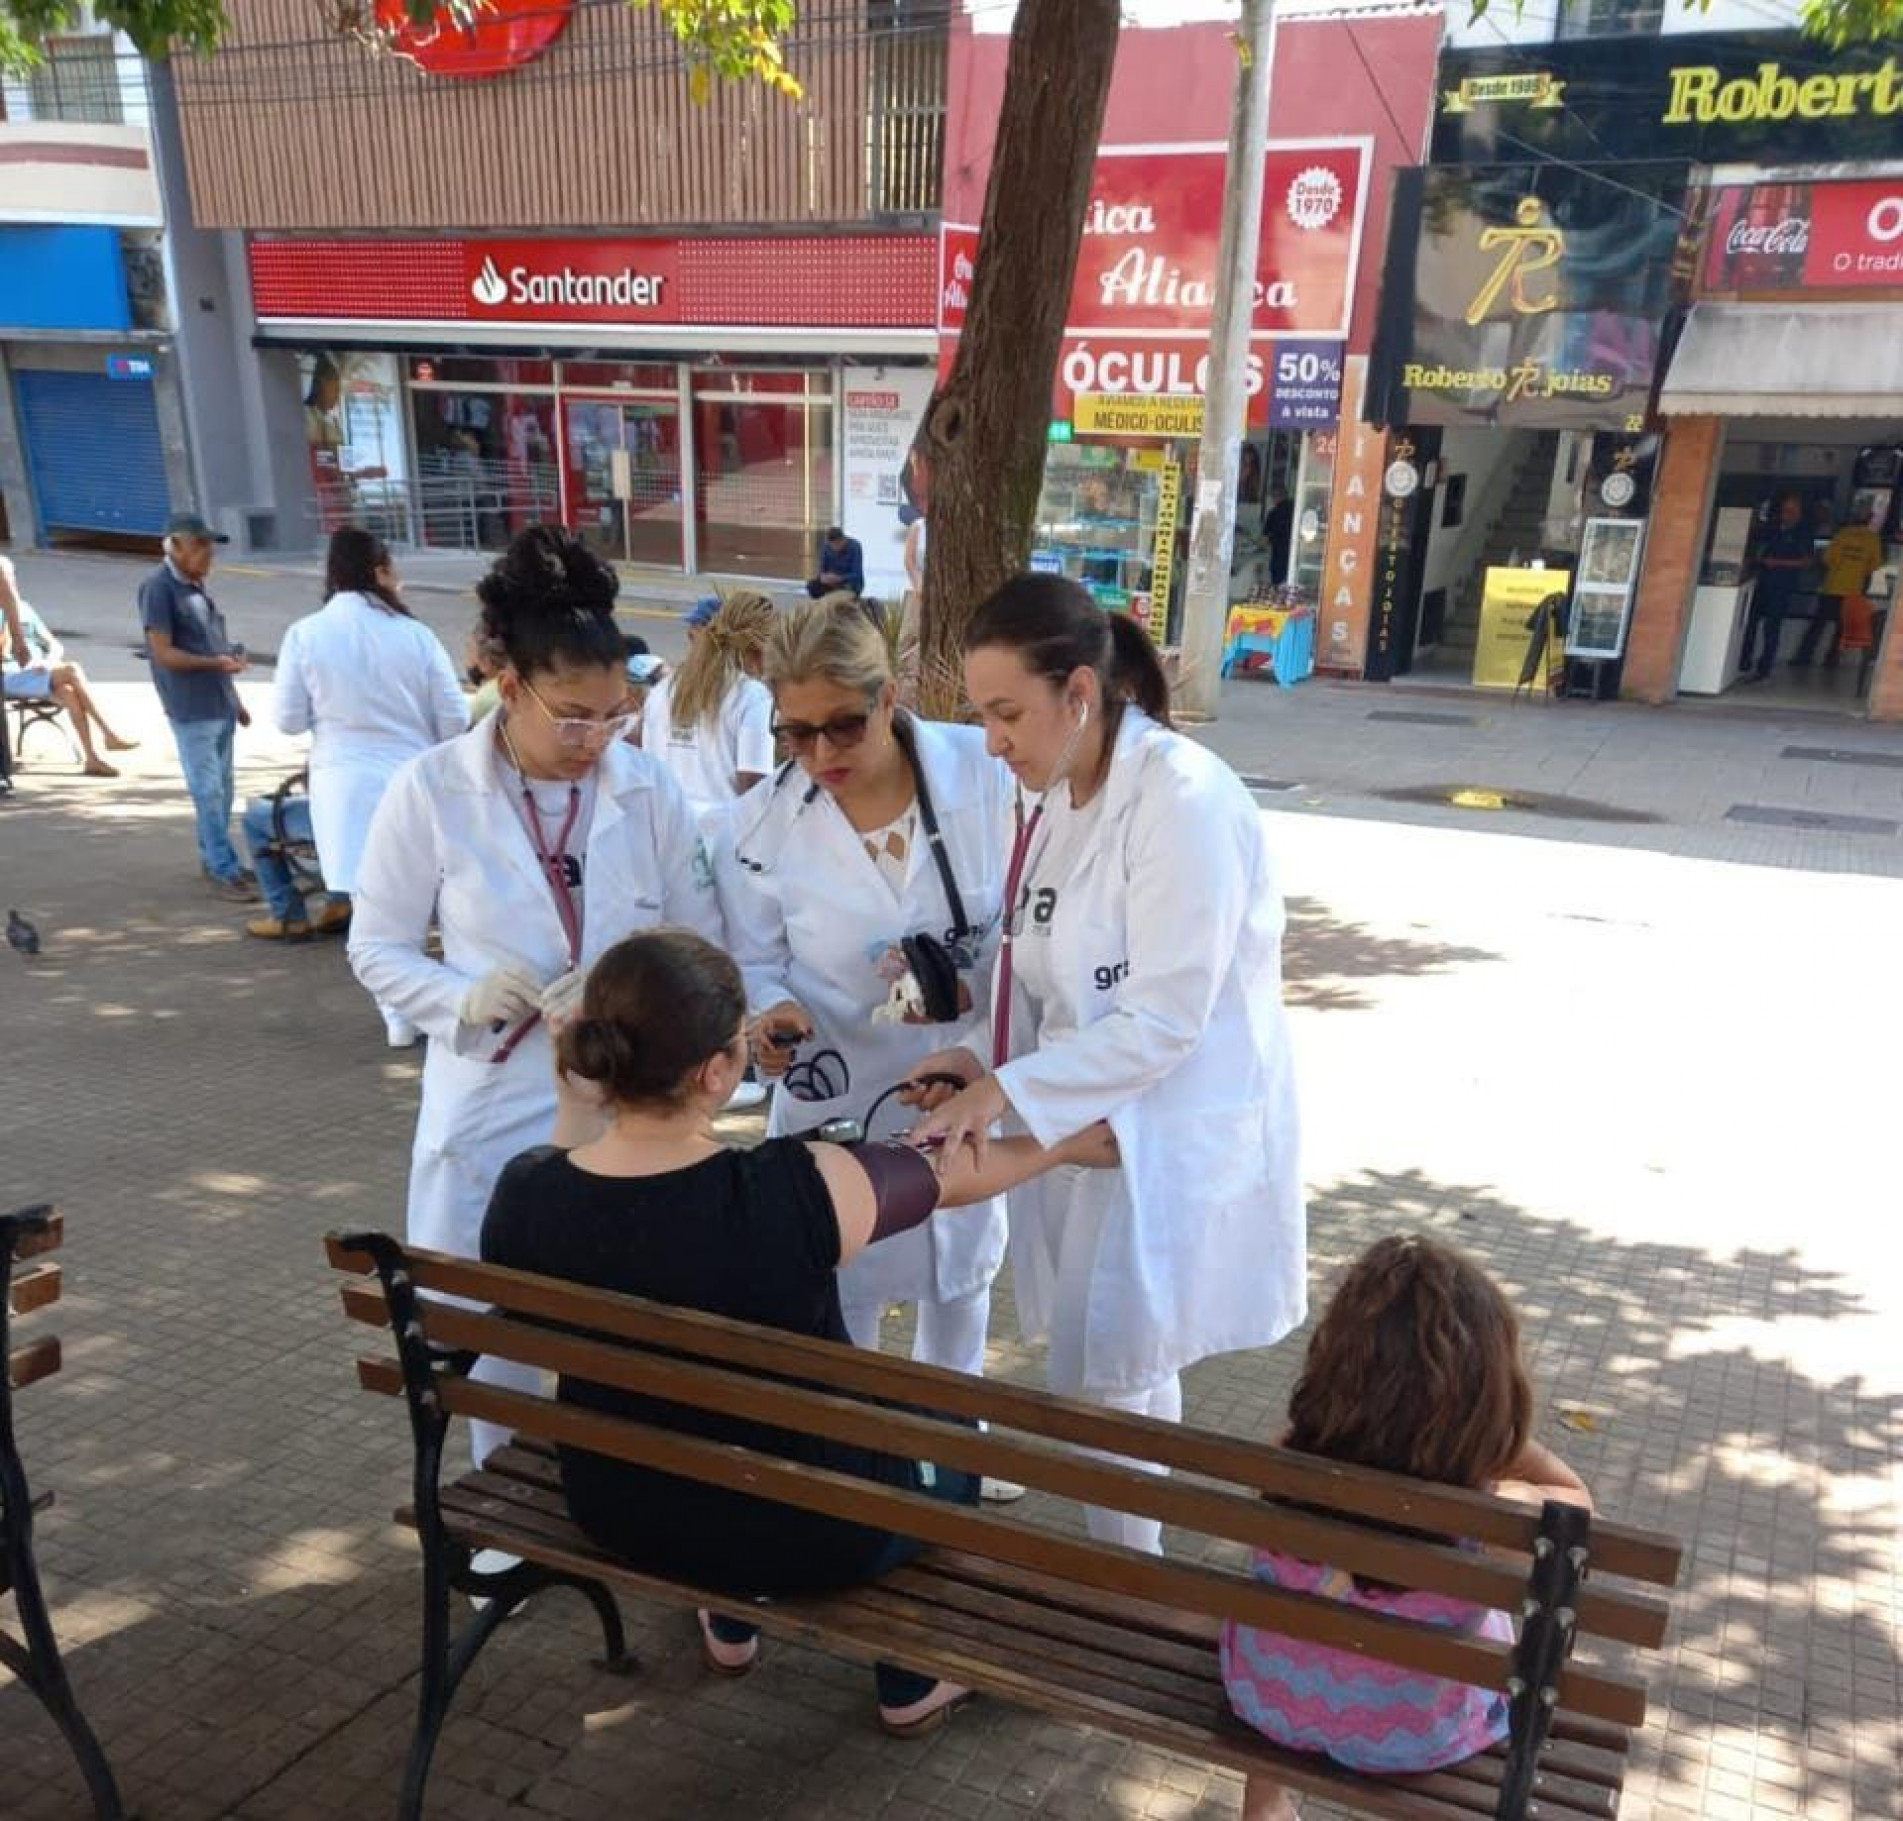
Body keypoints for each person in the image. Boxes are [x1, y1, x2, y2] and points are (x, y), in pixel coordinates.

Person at [481, 928, 1118, 1735]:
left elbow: (576, 1167)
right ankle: (910, 1671)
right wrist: (1068, 1137)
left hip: (617, 1505)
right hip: (813, 1532)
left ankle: (731, 1622)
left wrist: (575, 1100)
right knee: (951, 1441)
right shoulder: (788, 1189)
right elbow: (951, 1172)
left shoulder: (526, 1196)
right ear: (717, 1071)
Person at [905, 574, 1305, 1554]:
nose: (990, 742)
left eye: (1006, 714)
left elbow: (1168, 1015)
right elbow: (1031, 959)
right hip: (1088, 1119)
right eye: (980, 716)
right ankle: (1130, 1574)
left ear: (1077, 693)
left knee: (1114, 1366)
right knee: (1098, 1364)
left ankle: (1133, 1589)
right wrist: (979, 1057)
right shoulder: (1050, 796)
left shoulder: (1182, 800)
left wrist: (1011, 1089)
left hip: (1164, 1124)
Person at [349, 525, 723, 1471]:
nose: (593, 741)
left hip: (626, 1097)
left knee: (625, 1309)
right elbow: (377, 944)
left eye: (613, 717)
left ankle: (625, 1483)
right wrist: (461, 995)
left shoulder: (647, 789)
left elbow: (694, 935)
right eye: (571, 717)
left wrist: (624, 984)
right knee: (489, 1307)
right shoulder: (431, 789)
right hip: (492, 1094)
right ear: (507, 684)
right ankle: (503, 1493)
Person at [714, 598, 1013, 1392]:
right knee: (846, 1285)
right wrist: (770, 1012)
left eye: (843, 725)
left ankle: (953, 1451)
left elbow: (1025, 930)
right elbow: (750, 957)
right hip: (833, 1088)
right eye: (794, 732)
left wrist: (978, 1017)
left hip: (967, 1072)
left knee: (960, 1279)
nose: (818, 753)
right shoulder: (757, 826)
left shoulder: (985, 777)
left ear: (888, 697)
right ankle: (859, 1461)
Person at [1220, 1236, 1592, 1821]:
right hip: (1414, 1730)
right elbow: (1578, 1505)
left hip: (1270, 1698)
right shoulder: (1494, 1513)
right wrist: (1503, 1442)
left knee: (1300, 1613)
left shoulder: (1287, 1459)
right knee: (1490, 1622)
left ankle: (1264, 1809)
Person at [258, 530, 468, 983]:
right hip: (413, 779)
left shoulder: (305, 634)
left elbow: (289, 719)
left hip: (344, 788)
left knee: (372, 910)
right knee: (430, 896)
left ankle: (398, 1010)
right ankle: (446, 997)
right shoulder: (416, 635)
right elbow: (454, 719)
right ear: (380, 572)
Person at [138, 512, 255, 901]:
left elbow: (213, 645)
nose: (208, 555)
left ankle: (218, 859)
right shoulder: (159, 588)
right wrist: (216, 664)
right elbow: (163, 653)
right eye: (200, 546)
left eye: (209, 546)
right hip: (191, 707)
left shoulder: (196, 587)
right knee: (207, 791)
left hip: (217, 703)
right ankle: (223, 869)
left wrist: (234, 695)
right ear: (176, 545)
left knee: (222, 789)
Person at [639, 589, 776, 832]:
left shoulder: (663, 689)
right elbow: (754, 783)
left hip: (664, 829)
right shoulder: (751, 696)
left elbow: (647, 766)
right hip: (723, 836)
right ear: (760, 647)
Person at [0, 556, 138, 777]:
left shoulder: (24, 609)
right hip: (10, 674)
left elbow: (53, 643)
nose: (9, 583)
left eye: (10, 578)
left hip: (39, 671)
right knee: (72, 670)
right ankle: (108, 732)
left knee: (69, 692)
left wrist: (47, 661)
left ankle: (92, 758)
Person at [1792, 508, 1886, 672]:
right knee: (1841, 629)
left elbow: (1828, 558)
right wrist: (1859, 570)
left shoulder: (1842, 534)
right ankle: (1831, 660)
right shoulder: (1872, 538)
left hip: (1833, 586)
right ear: (1869, 520)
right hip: (1853, 589)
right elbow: (1875, 564)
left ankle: (1803, 657)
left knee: (1817, 625)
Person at [1739, 494, 1814, 683]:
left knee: (1771, 628)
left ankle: (1764, 669)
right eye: (1785, 510)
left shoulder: (1803, 532)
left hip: (1782, 585)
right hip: (1760, 582)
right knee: (1749, 623)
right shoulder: (1772, 528)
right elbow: (1756, 547)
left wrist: (1779, 563)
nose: (1787, 514)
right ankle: (1743, 663)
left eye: (1792, 511)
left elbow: (1806, 562)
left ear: (1799, 512)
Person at [807, 526, 865, 600]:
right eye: (831, 545)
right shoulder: (826, 547)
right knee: (812, 586)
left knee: (849, 589)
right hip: (832, 581)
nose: (834, 548)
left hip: (849, 582)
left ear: (842, 540)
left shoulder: (855, 546)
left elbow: (857, 573)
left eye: (836, 544)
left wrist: (840, 578)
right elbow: (822, 568)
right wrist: (824, 577)